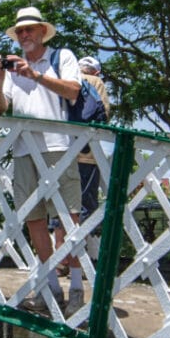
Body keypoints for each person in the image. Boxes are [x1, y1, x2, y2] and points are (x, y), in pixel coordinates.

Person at [0, 7, 82, 314]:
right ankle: (51, 289)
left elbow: (73, 91)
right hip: (23, 150)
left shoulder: (62, 57)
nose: (24, 35)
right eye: (20, 32)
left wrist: (35, 75)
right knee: (35, 220)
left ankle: (78, 288)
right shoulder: (12, 70)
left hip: (58, 146)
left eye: (29, 30)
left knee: (70, 219)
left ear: (42, 31)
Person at [53, 56, 112, 296]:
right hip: (87, 154)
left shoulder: (64, 79)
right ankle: (80, 262)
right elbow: (104, 114)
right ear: (97, 71)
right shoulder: (95, 83)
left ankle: (59, 262)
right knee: (84, 207)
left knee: (60, 206)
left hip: (60, 153)